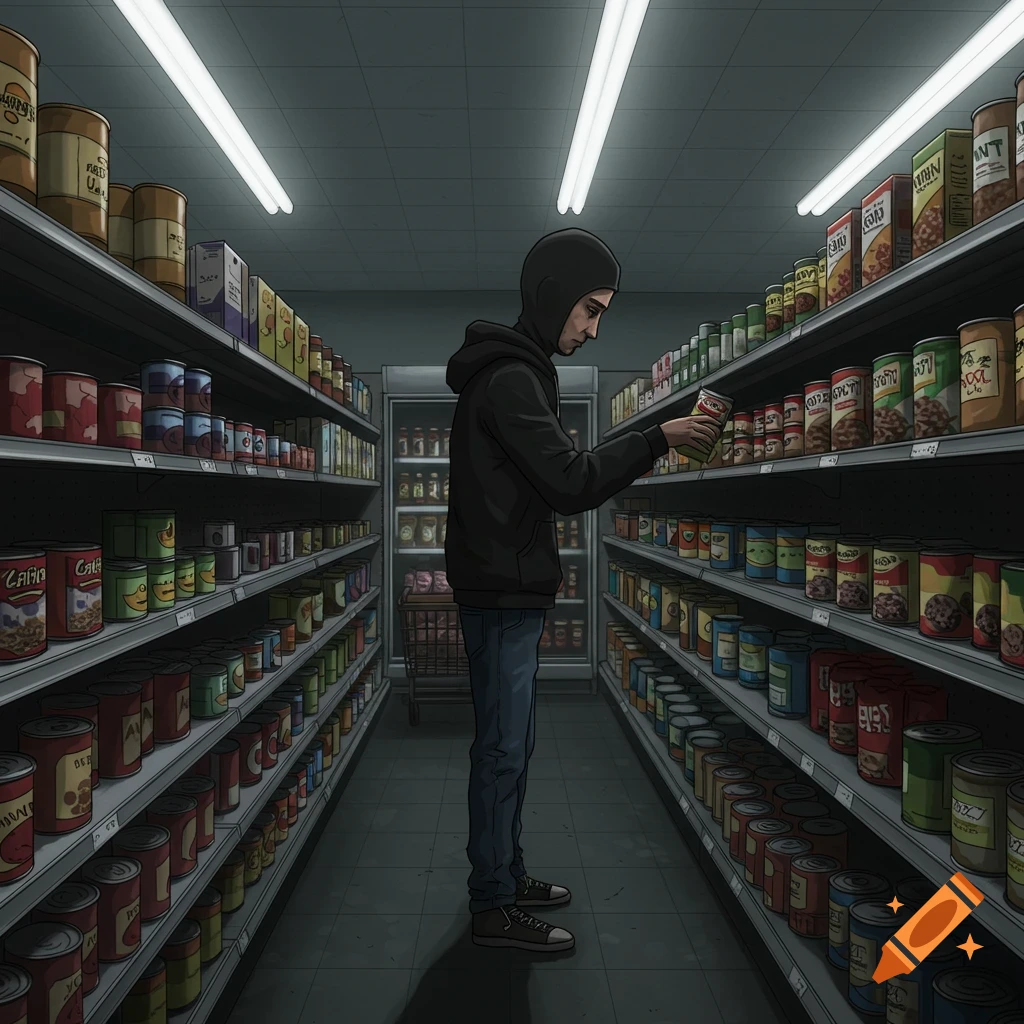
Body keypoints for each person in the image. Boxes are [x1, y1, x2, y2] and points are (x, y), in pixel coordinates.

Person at [444, 228, 721, 952]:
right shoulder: (510, 379)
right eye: (590, 310)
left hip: (504, 589)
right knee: (504, 750)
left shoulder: (517, 372)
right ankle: (493, 905)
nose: (594, 329)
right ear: (552, 296)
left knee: (512, 746)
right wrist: (660, 437)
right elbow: (569, 483)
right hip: (501, 595)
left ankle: (507, 871)